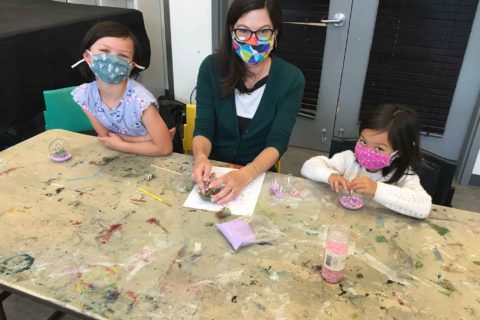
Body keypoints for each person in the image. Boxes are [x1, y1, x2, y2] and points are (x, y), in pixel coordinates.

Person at [192, 0, 305, 205]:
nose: (253, 41)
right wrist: (200, 157)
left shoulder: (291, 79)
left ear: (275, 33)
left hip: (258, 177)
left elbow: (277, 142)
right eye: (243, 31)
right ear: (231, 31)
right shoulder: (211, 68)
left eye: (263, 32)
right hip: (215, 173)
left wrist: (246, 175)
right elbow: (204, 127)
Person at [301, 104, 432, 219]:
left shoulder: (403, 174)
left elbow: (423, 206)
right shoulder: (349, 159)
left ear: (399, 151)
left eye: (379, 148)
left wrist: (376, 189)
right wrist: (330, 175)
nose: (367, 151)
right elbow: (308, 166)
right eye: (363, 142)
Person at [70, 21, 173, 156]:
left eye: (123, 56)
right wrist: (144, 139)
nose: (112, 60)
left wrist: (121, 145)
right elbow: (105, 135)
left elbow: (164, 148)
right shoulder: (85, 95)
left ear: (131, 65)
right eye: (104, 51)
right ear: (87, 56)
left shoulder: (141, 101)